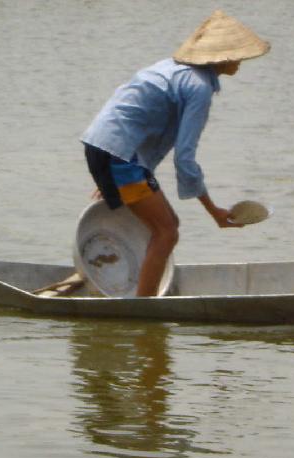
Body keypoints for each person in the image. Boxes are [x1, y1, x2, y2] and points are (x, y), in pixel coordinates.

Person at [81, 10, 270, 296]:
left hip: (103, 146)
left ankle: (141, 294)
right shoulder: (199, 88)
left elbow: (136, 118)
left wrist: (108, 169)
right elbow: (185, 157)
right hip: (119, 156)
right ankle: (142, 308)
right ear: (222, 57)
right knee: (166, 231)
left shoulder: (169, 69)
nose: (240, 61)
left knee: (168, 227)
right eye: (237, 55)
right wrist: (214, 211)